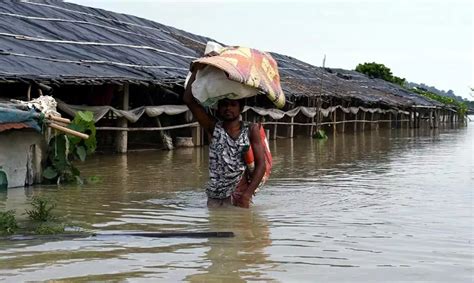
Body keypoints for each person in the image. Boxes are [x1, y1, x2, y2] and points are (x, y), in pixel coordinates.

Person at [183, 67, 266, 208]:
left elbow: (261, 165)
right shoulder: (213, 127)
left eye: (233, 105)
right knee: (216, 226)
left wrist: (247, 195)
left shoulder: (250, 130)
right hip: (215, 194)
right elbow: (189, 100)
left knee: (240, 228)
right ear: (218, 108)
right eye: (224, 105)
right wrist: (197, 70)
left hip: (240, 193)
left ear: (240, 108)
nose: (228, 109)